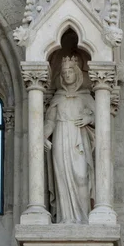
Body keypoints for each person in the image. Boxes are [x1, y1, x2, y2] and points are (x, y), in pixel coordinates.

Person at [44, 55, 95, 223]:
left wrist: (89, 119)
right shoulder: (57, 97)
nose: (67, 75)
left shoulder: (85, 96)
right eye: (64, 72)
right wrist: (42, 136)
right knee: (63, 178)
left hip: (78, 138)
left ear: (77, 74)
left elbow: (101, 119)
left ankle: (83, 218)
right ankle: (65, 218)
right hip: (60, 138)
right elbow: (50, 121)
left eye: (70, 72)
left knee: (81, 176)